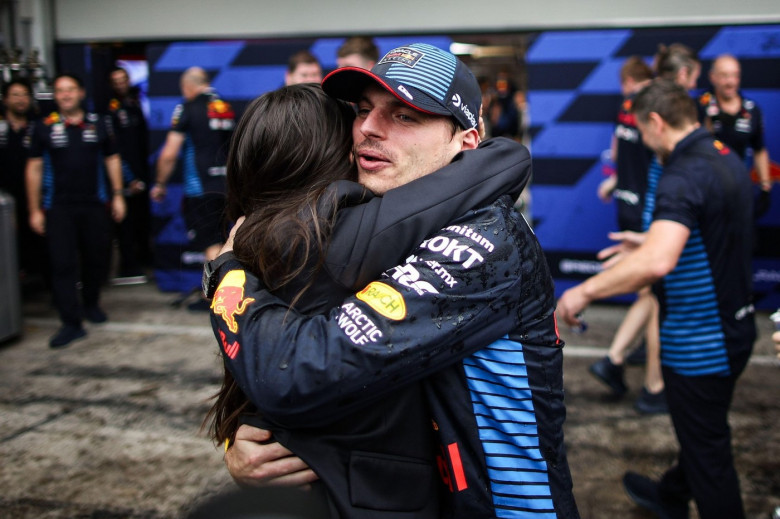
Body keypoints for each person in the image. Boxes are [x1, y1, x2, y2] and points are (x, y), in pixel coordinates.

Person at [211, 43, 580, 518]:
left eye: (405, 116)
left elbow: (301, 368)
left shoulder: (487, 237)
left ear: (466, 140)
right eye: (363, 110)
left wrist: (225, 273)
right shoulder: (389, 220)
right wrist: (243, 446)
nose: (368, 128)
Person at [557, 79, 756, 519]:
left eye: (643, 134)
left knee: (710, 458)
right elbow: (707, 227)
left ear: (655, 121)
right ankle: (669, 494)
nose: (645, 146)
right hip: (737, 329)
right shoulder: (722, 158)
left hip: (700, 344)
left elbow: (659, 263)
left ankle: (680, 498)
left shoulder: (680, 175)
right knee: (706, 436)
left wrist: (583, 291)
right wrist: (649, 237)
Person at [25, 73, 127, 348]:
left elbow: (112, 159)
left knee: (97, 259)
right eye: (60, 91)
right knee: (63, 265)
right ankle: (71, 323)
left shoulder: (99, 124)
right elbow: (34, 169)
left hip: (95, 205)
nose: (66, 95)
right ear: (55, 96)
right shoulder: (43, 127)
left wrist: (118, 196)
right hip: (58, 208)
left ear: (81, 93)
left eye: (71, 90)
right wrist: (34, 210)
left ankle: (91, 304)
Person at [590, 56, 665, 414]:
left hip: (627, 203)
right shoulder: (656, 111)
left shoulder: (625, 108)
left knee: (649, 290)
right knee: (653, 291)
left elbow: (618, 155)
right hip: (649, 208)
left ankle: (621, 358)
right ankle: (629, 365)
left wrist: (614, 181)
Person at [150, 67, 235, 310]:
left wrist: (159, 184)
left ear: (187, 87)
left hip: (200, 188)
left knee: (211, 244)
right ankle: (216, 293)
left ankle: (216, 300)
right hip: (228, 186)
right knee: (223, 240)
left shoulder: (187, 107)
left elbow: (168, 154)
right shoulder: (225, 107)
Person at [698, 54, 773, 217]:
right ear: (713, 77)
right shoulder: (701, 105)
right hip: (706, 190)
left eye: (734, 75)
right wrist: (707, 127)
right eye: (724, 75)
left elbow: (759, 149)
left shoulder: (751, 110)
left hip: (739, 188)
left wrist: (765, 187)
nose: (730, 82)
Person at [107, 66, 150, 284]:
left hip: (142, 173)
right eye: (116, 80)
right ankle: (128, 266)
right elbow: (114, 151)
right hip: (124, 179)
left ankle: (143, 261)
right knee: (125, 224)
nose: (120, 83)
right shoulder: (109, 109)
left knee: (142, 220)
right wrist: (128, 178)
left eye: (123, 79)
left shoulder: (135, 103)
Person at [0, 79, 47, 281]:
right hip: (5, 198)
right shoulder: (1, 129)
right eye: (15, 95)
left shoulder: (40, 127)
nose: (20, 100)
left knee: (39, 242)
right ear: (5, 100)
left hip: (36, 195)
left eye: (24, 95)